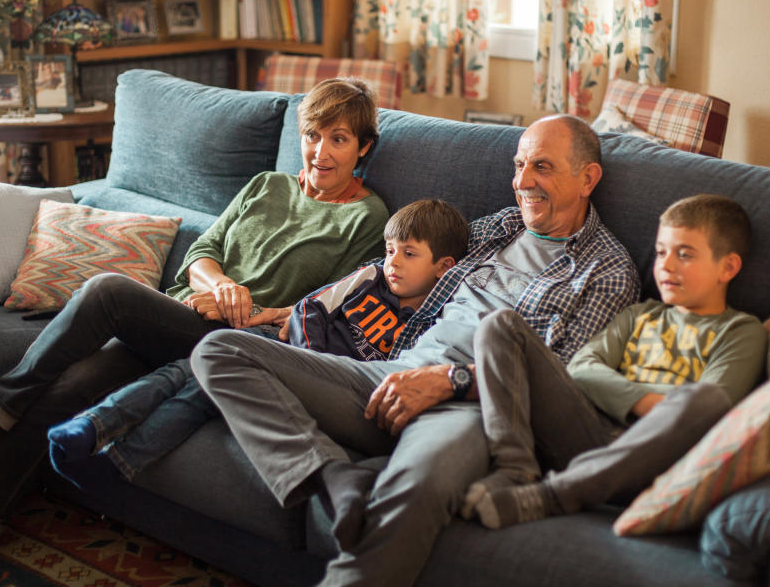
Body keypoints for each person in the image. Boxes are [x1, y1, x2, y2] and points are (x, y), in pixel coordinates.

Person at [0, 77, 389, 581]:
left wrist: (253, 313)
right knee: (64, 392)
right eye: (313, 134)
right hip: (184, 316)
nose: (321, 151)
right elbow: (203, 252)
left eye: (338, 139)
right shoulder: (266, 185)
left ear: (364, 147)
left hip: (242, 344)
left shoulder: (367, 217)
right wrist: (222, 284)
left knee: (108, 291)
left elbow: (334, 308)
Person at [189, 115, 641, 586]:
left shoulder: (606, 271)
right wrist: (295, 309)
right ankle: (330, 477)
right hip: (392, 369)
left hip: (470, 407)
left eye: (542, 167)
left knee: (411, 494)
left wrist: (447, 382)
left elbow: (558, 382)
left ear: (587, 178)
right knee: (220, 352)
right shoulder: (500, 227)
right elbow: (389, 267)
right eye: (520, 164)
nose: (522, 182)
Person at [45, 199, 468, 488]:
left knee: (201, 391)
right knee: (187, 369)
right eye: (390, 249)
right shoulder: (371, 277)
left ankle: (119, 463)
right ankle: (95, 425)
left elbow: (388, 373)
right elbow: (312, 307)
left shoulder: (430, 321)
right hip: (285, 345)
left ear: (443, 268)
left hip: (317, 379)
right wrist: (303, 351)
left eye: (408, 254)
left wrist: (309, 368)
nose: (392, 261)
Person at [463, 194, 768, 529]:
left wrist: (650, 407)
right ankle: (514, 469)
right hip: (587, 432)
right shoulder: (640, 315)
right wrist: (649, 403)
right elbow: (581, 369)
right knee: (499, 325)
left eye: (685, 254)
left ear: (728, 267)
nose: (665, 266)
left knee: (703, 400)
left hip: (653, 460)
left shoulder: (741, 331)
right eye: (662, 252)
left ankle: (553, 496)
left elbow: (713, 410)